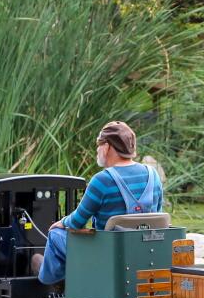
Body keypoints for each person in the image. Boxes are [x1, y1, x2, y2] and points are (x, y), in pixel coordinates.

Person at [37, 121, 163, 285]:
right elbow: (158, 215)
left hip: (108, 256)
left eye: (99, 144)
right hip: (145, 253)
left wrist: (62, 222)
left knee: (55, 235)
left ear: (107, 147)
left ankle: (51, 286)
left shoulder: (102, 180)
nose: (97, 149)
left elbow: (77, 222)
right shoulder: (153, 175)